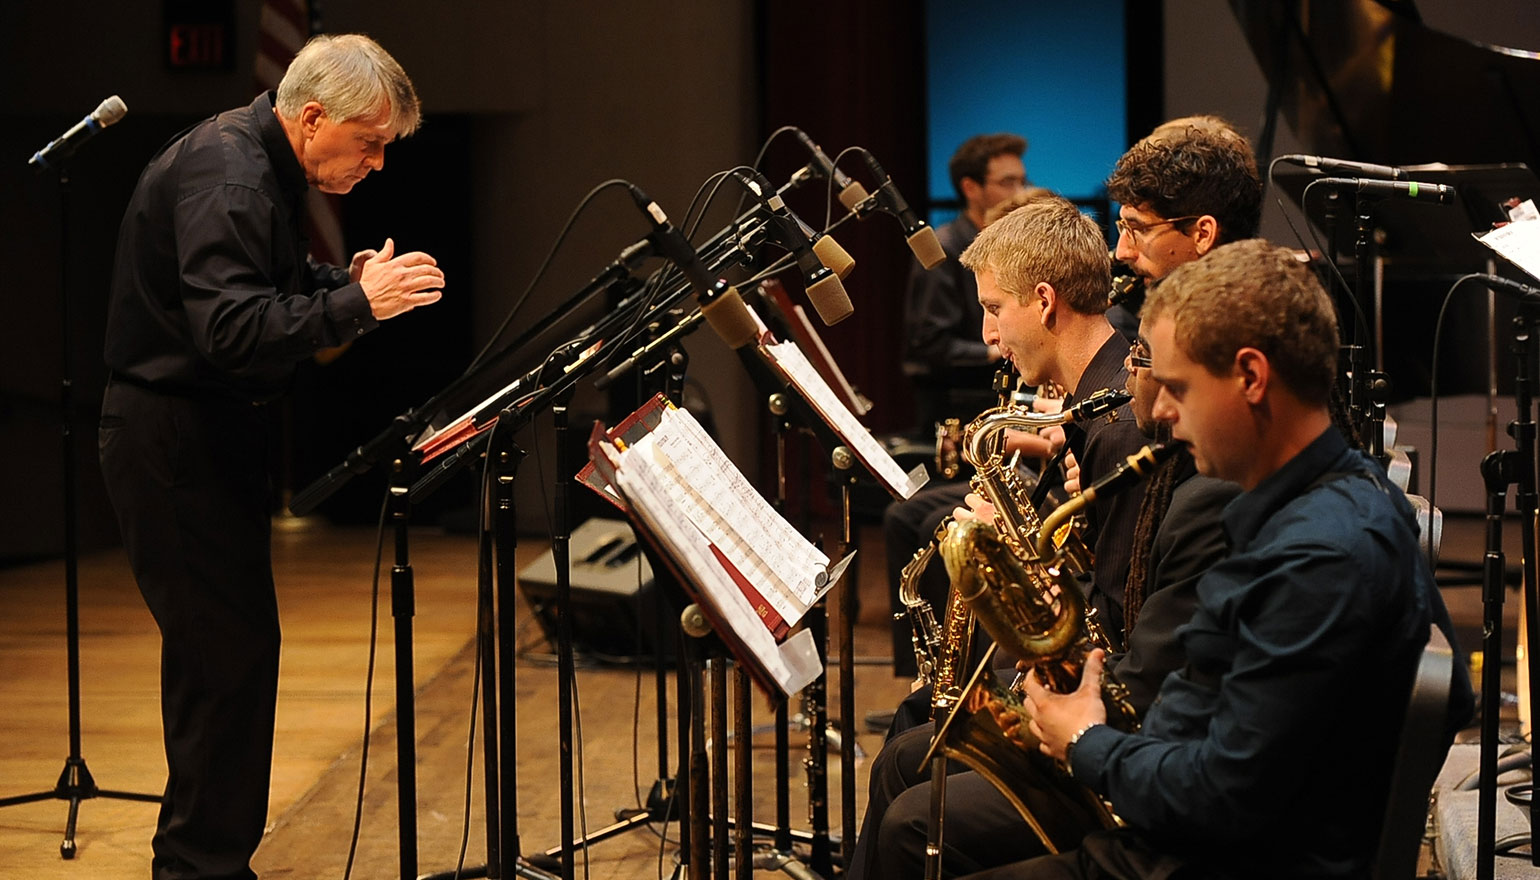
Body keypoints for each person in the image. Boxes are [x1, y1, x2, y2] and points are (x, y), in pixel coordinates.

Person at [987, 240, 1474, 880]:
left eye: (1179, 387)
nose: (1159, 410)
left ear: (1250, 377)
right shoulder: (1317, 502)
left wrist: (1085, 741)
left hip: (1207, 857)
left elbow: (1221, 794)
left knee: (919, 835)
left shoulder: (1318, 556)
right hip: (1195, 829)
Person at [98, 34, 444, 880]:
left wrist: (340, 288)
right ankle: (197, 868)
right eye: (369, 143)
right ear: (313, 116)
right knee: (223, 667)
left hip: (195, 437)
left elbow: (263, 289)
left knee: (232, 660)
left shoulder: (251, 162)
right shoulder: (232, 176)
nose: (377, 164)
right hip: (174, 438)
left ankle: (210, 863)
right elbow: (232, 333)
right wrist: (355, 306)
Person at [903, 132, 1028, 434]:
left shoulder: (1008, 244)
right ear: (971, 187)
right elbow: (931, 344)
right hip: (956, 409)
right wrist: (1006, 347)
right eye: (1007, 182)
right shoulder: (942, 247)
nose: (1020, 192)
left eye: (1022, 181)